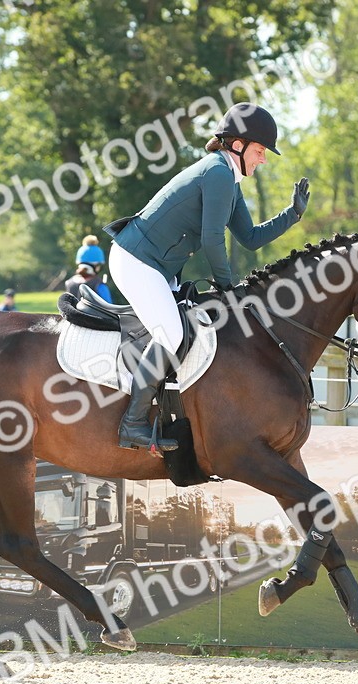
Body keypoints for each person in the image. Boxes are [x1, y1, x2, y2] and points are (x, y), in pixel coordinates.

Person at [103, 102, 309, 451]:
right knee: (170, 333)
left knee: (189, 331)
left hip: (156, 266)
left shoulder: (227, 177)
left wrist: (292, 215)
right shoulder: (216, 173)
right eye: (260, 151)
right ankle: (132, 423)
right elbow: (214, 238)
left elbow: (250, 238)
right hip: (135, 260)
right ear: (238, 146)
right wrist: (228, 288)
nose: (264, 160)